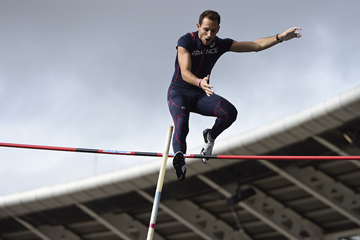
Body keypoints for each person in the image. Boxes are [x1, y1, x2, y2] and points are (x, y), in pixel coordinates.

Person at [168, 10, 301, 181]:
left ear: (218, 30)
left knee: (230, 113)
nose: (209, 35)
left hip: (201, 94)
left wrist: (280, 37)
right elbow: (185, 72)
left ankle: (210, 137)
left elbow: (254, 46)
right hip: (179, 93)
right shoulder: (186, 41)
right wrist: (200, 82)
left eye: (214, 31)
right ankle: (180, 158)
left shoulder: (220, 44)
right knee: (182, 123)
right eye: (206, 29)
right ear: (198, 26)